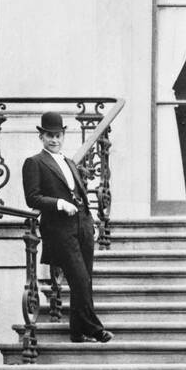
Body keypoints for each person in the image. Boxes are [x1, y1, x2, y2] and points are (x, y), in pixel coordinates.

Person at [21, 111, 112, 344]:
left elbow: (79, 193)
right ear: (41, 137)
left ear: (63, 136)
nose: (54, 140)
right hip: (59, 230)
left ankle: (76, 331)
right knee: (79, 279)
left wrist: (89, 222)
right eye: (49, 135)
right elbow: (32, 198)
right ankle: (94, 329)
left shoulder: (70, 162)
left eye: (58, 135)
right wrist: (59, 204)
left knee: (86, 279)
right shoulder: (34, 162)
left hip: (82, 226)